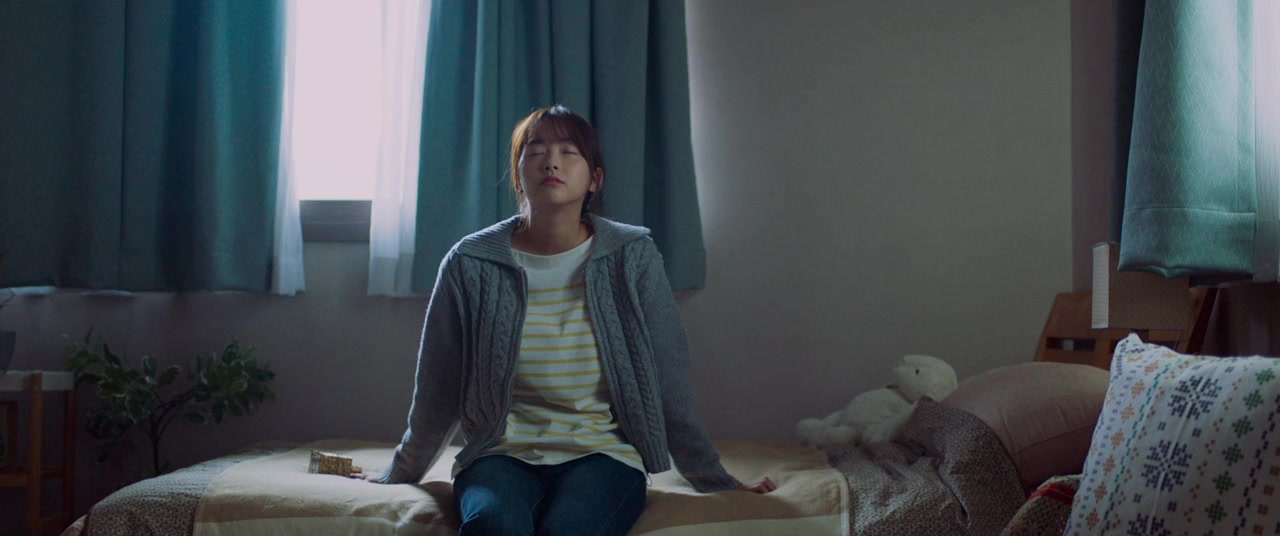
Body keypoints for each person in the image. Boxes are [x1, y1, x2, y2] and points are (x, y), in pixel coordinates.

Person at [356, 105, 774, 535]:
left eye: (568, 151)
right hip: (498, 456)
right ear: (518, 174)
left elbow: (668, 379)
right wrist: (402, 470)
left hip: (604, 456)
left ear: (595, 179)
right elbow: (438, 383)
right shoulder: (470, 262)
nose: (551, 162)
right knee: (495, 525)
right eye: (536, 150)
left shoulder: (631, 255)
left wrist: (712, 477)